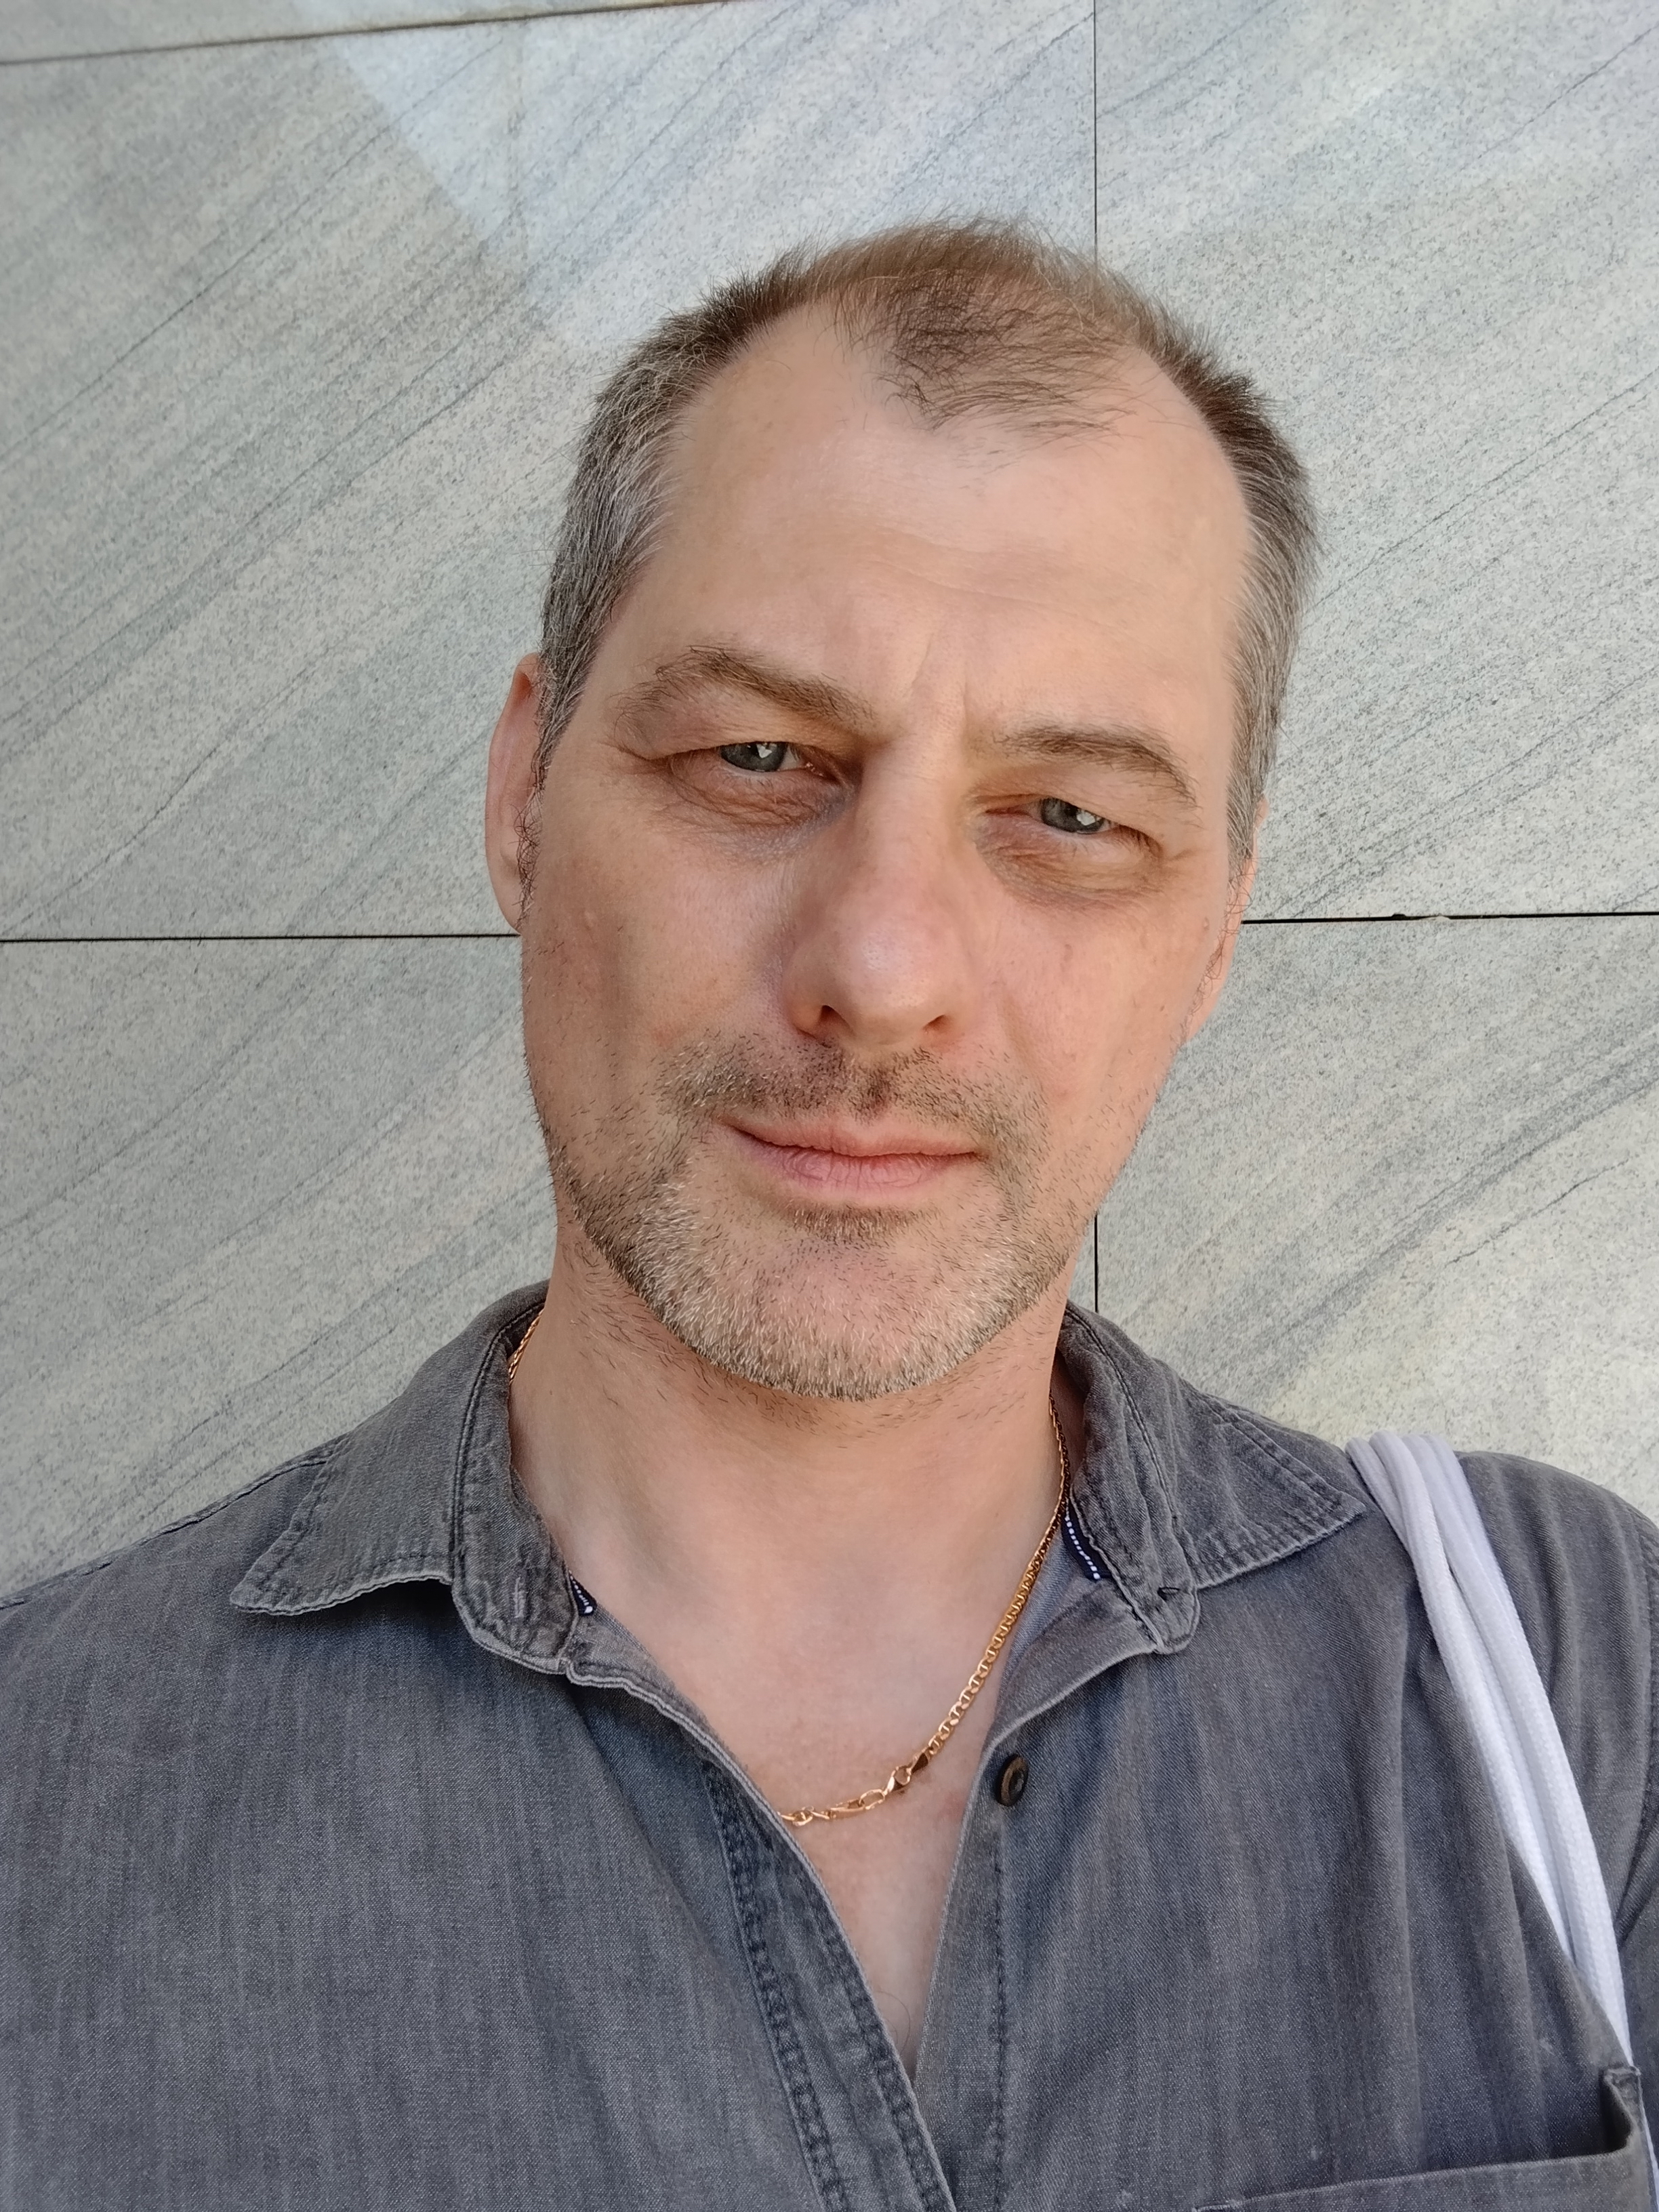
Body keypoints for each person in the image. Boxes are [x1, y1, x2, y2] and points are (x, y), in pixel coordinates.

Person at [3, 222, 1654, 2210]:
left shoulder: (1572, 1684)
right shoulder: (41, 1794)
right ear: (526, 793)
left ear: (1218, 929)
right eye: (760, 758)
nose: (881, 969)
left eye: (1070, 817)